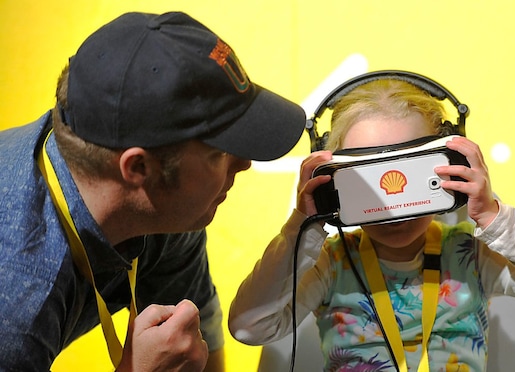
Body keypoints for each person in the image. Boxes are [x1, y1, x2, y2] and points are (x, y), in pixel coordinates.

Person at [0, 11, 306, 372]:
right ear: (139, 169)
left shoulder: (166, 212)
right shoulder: (16, 303)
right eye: (219, 152)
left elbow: (196, 348)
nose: (244, 164)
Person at [228, 75, 515, 371]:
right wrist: (301, 227)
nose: (391, 203)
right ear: (333, 181)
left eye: (409, 173)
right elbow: (248, 327)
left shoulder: (470, 255)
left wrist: (492, 215)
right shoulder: (329, 265)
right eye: (369, 181)